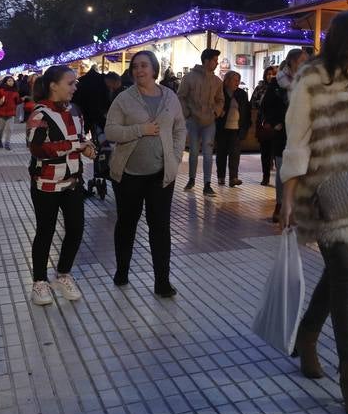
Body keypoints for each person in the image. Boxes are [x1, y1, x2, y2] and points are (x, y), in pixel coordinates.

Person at [280, 11, 348, 414]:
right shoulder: (313, 80)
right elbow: (297, 139)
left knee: (338, 273)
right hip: (321, 195)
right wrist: (288, 196)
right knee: (345, 276)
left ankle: (308, 336)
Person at [105, 50, 186, 297]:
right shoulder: (123, 98)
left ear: (154, 69)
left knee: (160, 228)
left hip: (160, 175)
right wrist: (140, 129)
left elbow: (179, 128)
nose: (139, 70)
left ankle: (162, 281)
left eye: (144, 65)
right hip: (129, 174)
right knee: (127, 224)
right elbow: (111, 132)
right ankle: (122, 270)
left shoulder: (170, 97)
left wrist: (174, 155)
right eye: (135, 66)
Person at [26, 66, 95, 305]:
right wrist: (73, 146)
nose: (75, 87)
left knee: (76, 229)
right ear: (53, 85)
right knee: (45, 231)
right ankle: (39, 282)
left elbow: (81, 141)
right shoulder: (40, 113)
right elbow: (37, 149)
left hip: (73, 182)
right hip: (46, 184)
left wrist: (89, 149)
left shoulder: (76, 110)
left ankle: (63, 274)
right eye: (70, 83)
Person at [263, 49, 308, 223]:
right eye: (302, 61)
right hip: (283, 135)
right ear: (291, 63)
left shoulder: (308, 83)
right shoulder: (276, 84)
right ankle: (280, 205)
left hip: (303, 135)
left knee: (301, 172)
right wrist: (276, 122)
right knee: (284, 172)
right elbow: (266, 106)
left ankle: (297, 209)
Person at [178, 48, 224, 196]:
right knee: (193, 152)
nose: (216, 63)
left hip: (209, 121)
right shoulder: (189, 78)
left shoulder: (217, 81)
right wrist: (188, 113)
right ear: (206, 61)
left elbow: (220, 99)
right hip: (193, 120)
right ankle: (192, 179)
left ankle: (207, 184)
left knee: (208, 153)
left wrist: (215, 112)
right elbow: (181, 96)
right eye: (215, 60)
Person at [215, 71, 251, 186]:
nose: (237, 83)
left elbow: (246, 111)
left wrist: (246, 126)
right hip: (222, 128)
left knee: (235, 154)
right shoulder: (221, 92)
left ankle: (233, 178)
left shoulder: (241, 94)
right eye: (235, 80)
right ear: (227, 80)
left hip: (236, 128)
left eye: (238, 80)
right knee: (221, 153)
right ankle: (221, 177)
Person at [250, 66, 278, 185]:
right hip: (263, 123)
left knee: (277, 152)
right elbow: (252, 103)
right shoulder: (260, 88)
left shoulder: (280, 88)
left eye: (273, 74)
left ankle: (279, 177)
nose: (270, 76)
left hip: (277, 124)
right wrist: (261, 102)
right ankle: (265, 176)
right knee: (265, 151)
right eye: (268, 74)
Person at [72, 64, 110, 134]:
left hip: (83, 110)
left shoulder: (82, 80)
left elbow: (75, 98)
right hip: (96, 110)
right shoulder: (101, 81)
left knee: (84, 131)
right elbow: (105, 98)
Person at [0, 75, 21, 149]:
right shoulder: (0, 90)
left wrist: (19, 100)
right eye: (9, 81)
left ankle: (7, 143)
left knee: (10, 129)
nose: (11, 82)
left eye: (12, 81)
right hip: (1, 113)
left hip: (11, 113)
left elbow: (18, 102)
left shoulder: (15, 92)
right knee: (0, 129)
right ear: (5, 82)